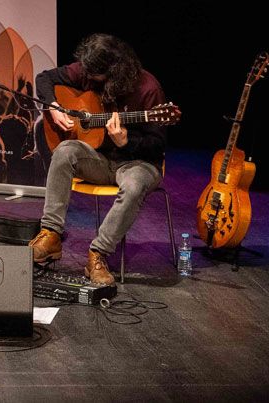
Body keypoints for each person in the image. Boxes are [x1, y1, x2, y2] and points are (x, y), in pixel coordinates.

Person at [28, 33, 166, 285]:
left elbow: (157, 146)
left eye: (95, 76)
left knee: (134, 185)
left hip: (138, 163)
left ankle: (98, 254)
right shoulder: (90, 69)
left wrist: (126, 141)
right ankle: (51, 235)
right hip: (101, 159)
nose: (88, 79)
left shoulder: (148, 89)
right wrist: (54, 106)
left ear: (115, 71)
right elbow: (44, 78)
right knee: (65, 151)